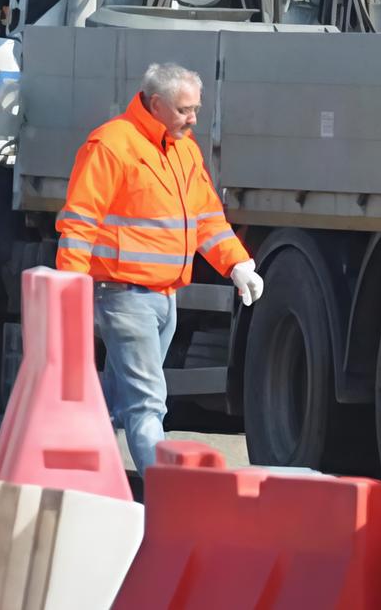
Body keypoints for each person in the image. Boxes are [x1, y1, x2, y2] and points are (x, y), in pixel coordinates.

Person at [55, 62, 265, 476]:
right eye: (185, 110)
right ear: (155, 104)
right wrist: (71, 288)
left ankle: (72, 464)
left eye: (195, 110)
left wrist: (237, 263)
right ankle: (167, 494)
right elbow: (80, 222)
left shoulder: (183, 150)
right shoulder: (112, 145)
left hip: (165, 299)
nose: (193, 119)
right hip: (123, 296)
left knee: (119, 400)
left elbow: (207, 217)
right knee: (148, 401)